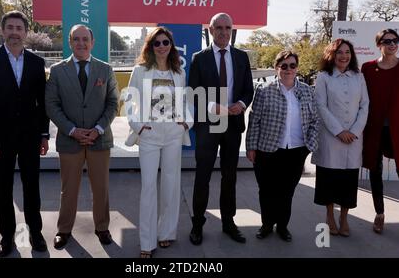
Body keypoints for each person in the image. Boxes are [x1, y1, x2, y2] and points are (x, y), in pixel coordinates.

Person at [0, 10, 50, 257]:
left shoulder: (37, 63)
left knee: (32, 188)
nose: (15, 33)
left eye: (19, 28)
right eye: (10, 28)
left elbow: (43, 103)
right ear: (3, 30)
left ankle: (35, 234)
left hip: (30, 137)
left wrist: (44, 135)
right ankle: (7, 237)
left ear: (26, 33)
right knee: (3, 188)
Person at [45, 24, 119, 249]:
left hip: (100, 139)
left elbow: (113, 103)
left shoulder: (105, 69)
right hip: (70, 140)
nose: (81, 43)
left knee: (101, 187)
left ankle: (102, 227)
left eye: (85, 39)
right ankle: (64, 229)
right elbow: (51, 104)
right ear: (70, 42)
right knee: (69, 189)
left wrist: (97, 129)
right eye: (76, 39)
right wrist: (72, 130)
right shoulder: (57, 71)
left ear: (92, 42)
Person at [125, 27, 193, 258]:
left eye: (166, 42)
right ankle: (147, 241)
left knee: (171, 186)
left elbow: (185, 102)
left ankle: (166, 233)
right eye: (157, 43)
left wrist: (186, 123)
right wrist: (139, 126)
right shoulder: (140, 70)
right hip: (149, 135)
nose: (162, 46)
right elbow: (130, 102)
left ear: (171, 46)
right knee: (148, 187)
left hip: (173, 134)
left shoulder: (179, 72)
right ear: (150, 46)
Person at [188, 13, 254, 245]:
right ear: (210, 29)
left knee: (230, 176)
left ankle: (228, 222)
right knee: (202, 176)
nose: (224, 32)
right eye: (219, 27)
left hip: (233, 125)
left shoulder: (241, 57)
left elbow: (248, 89)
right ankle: (197, 224)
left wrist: (242, 104)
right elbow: (192, 90)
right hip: (208, 124)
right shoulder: (199, 58)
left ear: (232, 30)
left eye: (228, 27)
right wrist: (210, 105)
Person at [246, 51, 319, 242]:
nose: (288, 69)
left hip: (296, 150)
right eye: (284, 66)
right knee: (267, 191)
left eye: (292, 65)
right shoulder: (264, 90)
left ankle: (283, 226)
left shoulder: (307, 91)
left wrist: (309, 145)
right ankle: (267, 225)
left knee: (287, 192)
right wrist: (251, 147)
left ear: (297, 68)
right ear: (276, 67)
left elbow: (315, 121)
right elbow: (255, 121)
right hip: (267, 150)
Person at [311, 39, 369, 237]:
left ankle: (344, 218)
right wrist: (339, 131)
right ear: (332, 55)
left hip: (353, 138)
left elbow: (365, 105)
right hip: (331, 137)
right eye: (339, 52)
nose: (344, 56)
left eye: (347, 52)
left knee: (348, 181)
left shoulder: (358, 77)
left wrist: (354, 130)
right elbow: (321, 106)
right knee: (329, 180)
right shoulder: (324, 77)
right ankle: (329, 216)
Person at [361, 28, 399, 234]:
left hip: (398, 129)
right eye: (387, 41)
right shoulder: (367, 68)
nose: (392, 44)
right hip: (374, 128)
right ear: (379, 45)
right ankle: (380, 213)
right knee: (375, 171)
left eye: (395, 40)